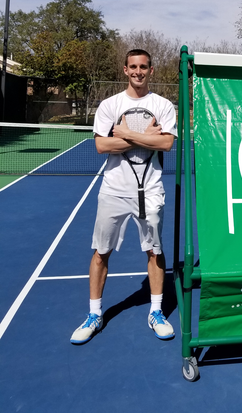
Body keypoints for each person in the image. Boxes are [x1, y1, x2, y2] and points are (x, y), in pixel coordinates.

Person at [71, 49, 177, 345]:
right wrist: (146, 138)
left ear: (151, 70)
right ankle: (94, 314)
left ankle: (156, 312)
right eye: (133, 66)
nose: (138, 72)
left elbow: (166, 143)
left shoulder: (163, 105)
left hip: (151, 188)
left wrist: (125, 134)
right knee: (100, 252)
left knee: (154, 251)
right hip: (113, 190)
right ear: (125, 69)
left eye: (143, 67)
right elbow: (102, 147)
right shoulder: (110, 104)